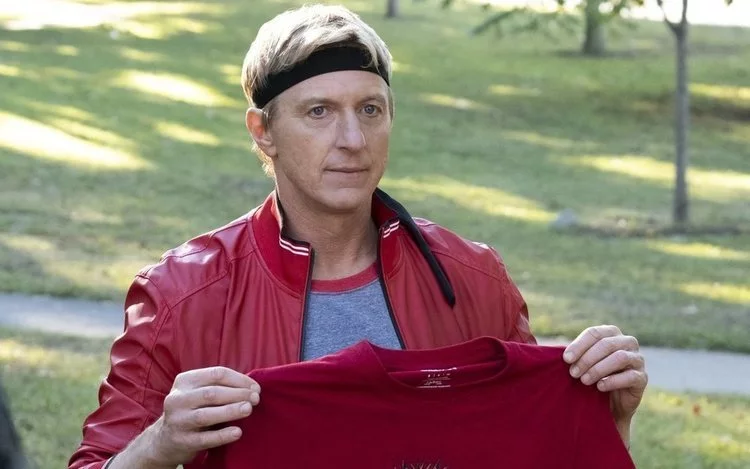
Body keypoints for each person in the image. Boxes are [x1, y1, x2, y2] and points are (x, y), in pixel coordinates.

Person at [69, 4, 648, 469]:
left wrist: (609, 417)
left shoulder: (474, 279)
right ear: (263, 131)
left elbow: (530, 451)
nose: (352, 139)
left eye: (370, 110)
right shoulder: (181, 295)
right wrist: (160, 443)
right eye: (319, 112)